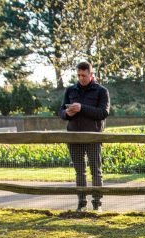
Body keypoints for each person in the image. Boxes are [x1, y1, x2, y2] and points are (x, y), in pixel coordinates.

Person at [58, 61, 110, 212]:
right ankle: (81, 203)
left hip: (93, 137)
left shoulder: (101, 91)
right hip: (74, 136)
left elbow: (103, 113)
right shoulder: (70, 90)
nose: (81, 78)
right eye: (79, 75)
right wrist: (66, 113)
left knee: (96, 171)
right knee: (79, 171)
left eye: (84, 75)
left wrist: (82, 108)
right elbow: (61, 111)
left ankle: (97, 203)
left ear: (91, 74)